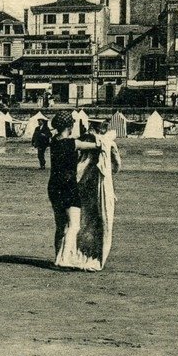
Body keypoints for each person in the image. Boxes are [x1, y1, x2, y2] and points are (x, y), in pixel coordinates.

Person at [47, 110, 103, 268]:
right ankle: (65, 258)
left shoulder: (54, 141)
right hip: (68, 186)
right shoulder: (72, 143)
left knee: (60, 225)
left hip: (54, 186)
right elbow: (96, 146)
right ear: (69, 126)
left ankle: (58, 257)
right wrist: (98, 137)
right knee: (74, 225)